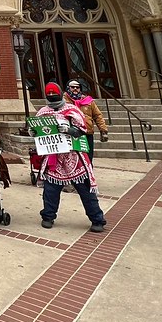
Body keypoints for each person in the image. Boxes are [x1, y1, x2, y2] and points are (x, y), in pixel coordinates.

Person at [33, 83, 106, 233]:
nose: (53, 99)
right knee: (50, 190)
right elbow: (37, 130)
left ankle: (97, 218)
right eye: (50, 97)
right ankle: (48, 216)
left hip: (74, 155)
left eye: (55, 96)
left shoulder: (72, 110)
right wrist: (34, 132)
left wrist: (70, 130)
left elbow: (83, 129)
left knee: (85, 189)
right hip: (54, 157)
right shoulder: (43, 112)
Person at [66, 80, 108, 157]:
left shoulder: (88, 101)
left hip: (87, 133)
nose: (75, 89)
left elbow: (97, 115)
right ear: (68, 88)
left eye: (77, 87)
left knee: (88, 157)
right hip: (71, 133)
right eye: (72, 87)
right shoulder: (64, 101)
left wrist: (103, 131)